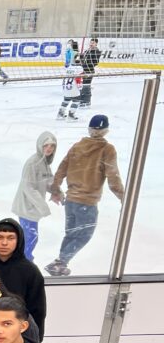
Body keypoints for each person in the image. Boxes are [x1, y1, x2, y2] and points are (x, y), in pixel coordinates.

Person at [45, 114, 125, 276]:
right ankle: (60, 262)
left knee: (71, 234)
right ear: (105, 131)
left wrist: (56, 188)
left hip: (71, 201)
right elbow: (113, 177)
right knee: (84, 235)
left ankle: (60, 264)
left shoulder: (77, 146)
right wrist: (124, 198)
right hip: (87, 202)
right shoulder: (107, 149)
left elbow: (62, 168)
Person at [0, 219, 47, 338]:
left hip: (15, 335)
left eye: (10, 238)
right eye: (0, 237)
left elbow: (37, 309)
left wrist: (35, 339)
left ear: (19, 240)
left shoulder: (30, 271)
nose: (4, 243)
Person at [11, 134, 57, 262]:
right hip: (27, 207)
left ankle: (24, 261)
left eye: (52, 146)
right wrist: (43, 207)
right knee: (30, 237)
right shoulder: (33, 162)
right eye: (46, 145)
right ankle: (24, 262)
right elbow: (29, 187)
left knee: (30, 237)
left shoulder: (44, 162)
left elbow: (48, 181)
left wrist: (57, 192)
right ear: (39, 145)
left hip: (33, 208)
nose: (49, 148)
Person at [77, 38, 101, 107]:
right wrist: (81, 57)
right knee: (84, 85)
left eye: (93, 43)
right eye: (91, 42)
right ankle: (83, 100)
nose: (91, 44)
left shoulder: (96, 52)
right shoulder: (87, 51)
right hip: (85, 70)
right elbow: (82, 61)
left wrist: (87, 62)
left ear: (96, 44)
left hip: (90, 70)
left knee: (86, 86)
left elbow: (95, 63)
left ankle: (86, 101)